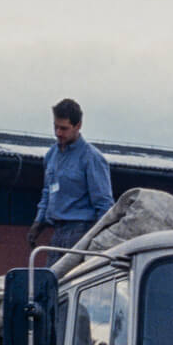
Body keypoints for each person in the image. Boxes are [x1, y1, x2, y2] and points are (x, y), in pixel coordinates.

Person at [27, 98, 113, 252]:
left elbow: (104, 203)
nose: (58, 133)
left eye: (64, 128)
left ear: (78, 125)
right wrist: (38, 223)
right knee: (51, 276)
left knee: (71, 276)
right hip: (58, 230)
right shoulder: (51, 155)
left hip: (81, 230)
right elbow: (47, 192)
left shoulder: (91, 157)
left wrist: (100, 241)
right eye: (55, 127)